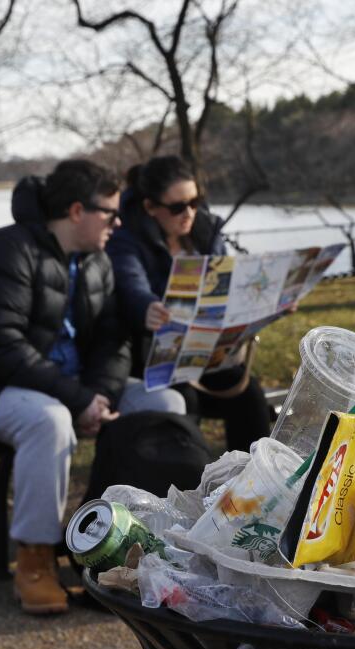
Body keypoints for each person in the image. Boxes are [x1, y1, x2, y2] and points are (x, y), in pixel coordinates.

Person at [0, 160, 185, 615]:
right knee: (49, 420)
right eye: (110, 212)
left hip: (70, 390)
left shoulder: (98, 262)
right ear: (77, 210)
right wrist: (78, 399)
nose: (118, 222)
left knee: (164, 400)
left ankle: (139, 543)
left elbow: (113, 341)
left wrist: (99, 395)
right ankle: (35, 560)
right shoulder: (5, 251)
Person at [107, 155, 272, 452]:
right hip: (154, 359)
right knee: (186, 401)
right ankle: (193, 486)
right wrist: (149, 308)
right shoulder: (126, 239)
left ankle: (254, 484)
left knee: (249, 395)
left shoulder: (205, 231)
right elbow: (131, 286)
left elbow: (232, 283)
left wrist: (266, 304)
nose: (190, 213)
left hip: (208, 355)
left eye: (195, 202)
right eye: (178, 207)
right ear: (150, 208)